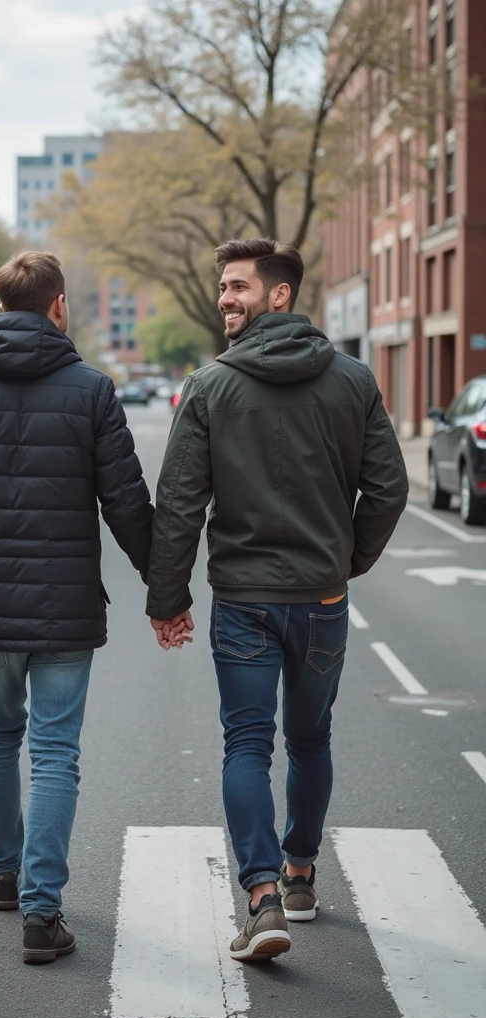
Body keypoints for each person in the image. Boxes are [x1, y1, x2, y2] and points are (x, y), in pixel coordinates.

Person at [145, 237, 409, 961]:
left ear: (279, 293)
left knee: (247, 743)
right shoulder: (353, 381)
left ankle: (262, 899)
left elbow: (179, 504)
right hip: (321, 599)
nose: (225, 298)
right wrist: (344, 562)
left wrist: (166, 597)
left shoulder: (210, 386)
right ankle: (297, 876)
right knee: (310, 738)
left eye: (237, 286)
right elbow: (388, 489)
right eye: (223, 287)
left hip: (244, 599)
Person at [0, 250, 155, 964]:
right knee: (54, 751)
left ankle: (4, 874)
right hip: (66, 606)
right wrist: (163, 586)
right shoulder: (93, 390)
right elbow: (126, 502)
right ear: (58, 306)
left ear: (0, 306)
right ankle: (43, 916)